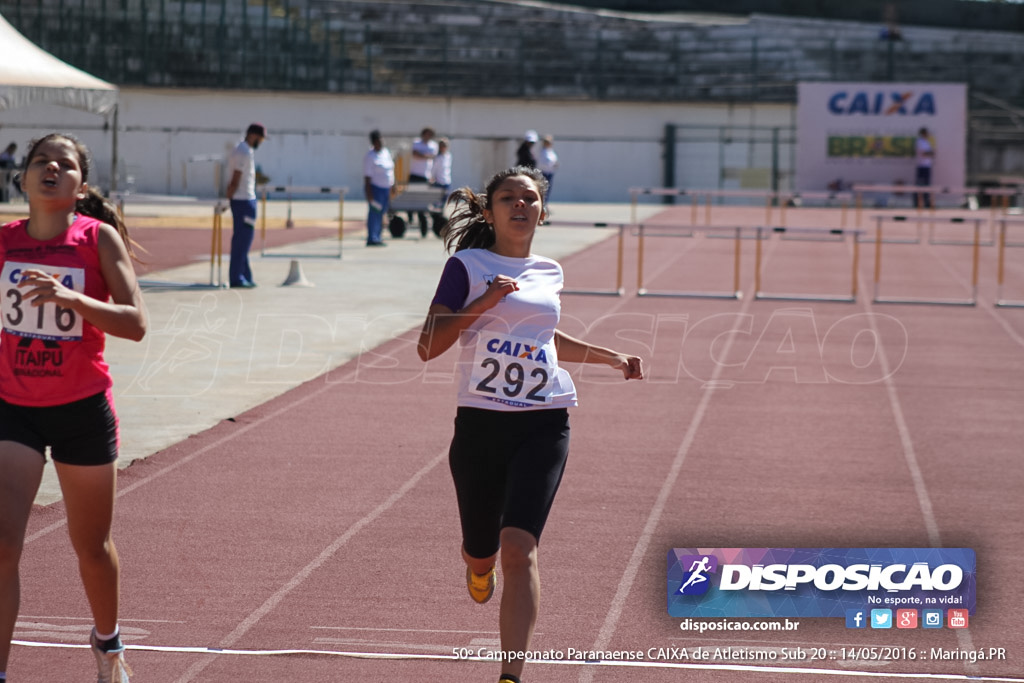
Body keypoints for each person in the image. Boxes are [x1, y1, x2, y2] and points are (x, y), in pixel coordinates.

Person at [416, 166, 644, 683]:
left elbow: (541, 338)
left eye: (530, 198)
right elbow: (428, 346)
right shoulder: (467, 266)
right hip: (479, 425)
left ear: (542, 210)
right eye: (508, 198)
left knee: (520, 549)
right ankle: (479, 566)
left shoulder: (550, 271)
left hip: (545, 420)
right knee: (483, 552)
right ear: (489, 210)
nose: (520, 205)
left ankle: (510, 677)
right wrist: (485, 301)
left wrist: (609, 357)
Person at [0, 133, 147, 683]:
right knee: (2, 545)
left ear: (80, 184)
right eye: (41, 162)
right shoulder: (3, 242)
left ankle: (107, 642)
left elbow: (135, 323)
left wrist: (71, 300)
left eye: (65, 164)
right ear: (23, 179)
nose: (51, 169)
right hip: (13, 407)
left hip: (81, 407)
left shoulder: (97, 239)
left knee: (90, 546)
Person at [225, 122, 267, 288]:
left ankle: (245, 275)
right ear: (253, 135)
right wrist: (230, 195)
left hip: (241, 200)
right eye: (261, 139)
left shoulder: (241, 149)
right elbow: (236, 177)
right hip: (244, 200)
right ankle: (237, 277)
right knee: (242, 240)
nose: (261, 143)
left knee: (243, 240)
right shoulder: (243, 152)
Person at [363, 129, 395, 247]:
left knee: (382, 213)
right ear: (374, 142)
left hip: (386, 188)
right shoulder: (370, 156)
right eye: (378, 140)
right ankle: (372, 237)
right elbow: (367, 177)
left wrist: (393, 185)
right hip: (375, 188)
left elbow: (390, 170)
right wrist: (369, 194)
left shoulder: (385, 152)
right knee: (374, 213)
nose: (381, 142)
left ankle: (378, 236)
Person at [408, 127, 439, 237]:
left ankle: (423, 228)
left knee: (422, 203)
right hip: (414, 175)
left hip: (425, 177)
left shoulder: (433, 145)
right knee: (412, 200)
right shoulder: (417, 143)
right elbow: (415, 154)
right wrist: (426, 156)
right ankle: (410, 216)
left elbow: (434, 158)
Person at [914, 127, 935, 209]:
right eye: (926, 133)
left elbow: (930, 153)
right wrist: (930, 153)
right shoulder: (920, 141)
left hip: (927, 166)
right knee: (919, 185)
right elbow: (924, 153)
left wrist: (930, 153)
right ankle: (917, 203)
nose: (928, 134)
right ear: (923, 133)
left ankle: (926, 202)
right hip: (921, 166)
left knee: (927, 185)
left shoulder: (927, 142)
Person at [536, 135, 558, 205]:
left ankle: (545, 204)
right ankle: (542, 204)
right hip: (544, 173)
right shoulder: (542, 152)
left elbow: (554, 160)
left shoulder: (550, 151)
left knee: (548, 190)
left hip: (550, 173)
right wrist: (550, 165)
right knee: (543, 190)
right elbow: (541, 163)